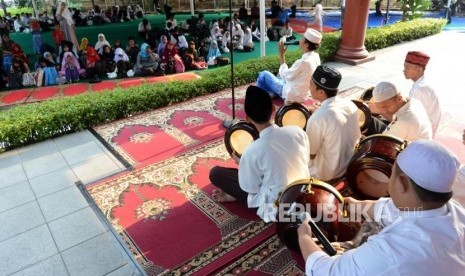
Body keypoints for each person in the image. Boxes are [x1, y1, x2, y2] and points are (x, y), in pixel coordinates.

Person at [297, 139, 465, 275]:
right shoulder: (454, 211)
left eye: (391, 174)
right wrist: (356, 206)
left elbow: (326, 271)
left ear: (401, 183)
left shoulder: (393, 252)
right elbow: (388, 209)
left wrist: (304, 237)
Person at [209, 85, 310, 222]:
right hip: (304, 192)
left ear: (248, 119)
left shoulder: (251, 151)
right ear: (274, 109)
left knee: (216, 173)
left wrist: (242, 163)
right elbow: (304, 160)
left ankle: (235, 196)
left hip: (277, 205)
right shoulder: (297, 131)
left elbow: (251, 187)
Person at [306, 65, 361, 182]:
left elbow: (311, 154)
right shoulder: (350, 105)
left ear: (321, 92)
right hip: (350, 164)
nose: (309, 87)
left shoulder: (317, 119)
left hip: (328, 173)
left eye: (311, 84)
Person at [256, 28, 322, 103]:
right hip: (303, 95)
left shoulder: (303, 62)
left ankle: (260, 97)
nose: (300, 40)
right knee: (278, 75)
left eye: (302, 38)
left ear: (306, 45)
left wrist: (281, 54)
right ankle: (272, 93)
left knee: (263, 74)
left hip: (291, 96)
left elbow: (286, 76)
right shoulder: (316, 56)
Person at [403, 51, 441, 137]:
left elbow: (410, 117)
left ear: (419, 70)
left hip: (420, 134)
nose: (404, 70)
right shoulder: (422, 84)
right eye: (404, 67)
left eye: (407, 68)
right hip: (426, 129)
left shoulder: (419, 89)